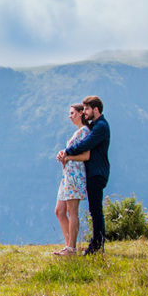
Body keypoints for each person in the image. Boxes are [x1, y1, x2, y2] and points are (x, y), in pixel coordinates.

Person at [58, 95, 110, 254]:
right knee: (94, 210)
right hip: (92, 172)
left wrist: (67, 152)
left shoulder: (100, 126)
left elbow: (86, 144)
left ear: (96, 109)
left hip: (96, 172)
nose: (85, 112)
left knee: (95, 210)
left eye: (87, 109)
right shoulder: (95, 125)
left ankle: (96, 245)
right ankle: (95, 243)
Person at [53, 103, 90, 255]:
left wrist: (68, 156)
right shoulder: (77, 133)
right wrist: (63, 155)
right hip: (67, 176)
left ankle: (71, 248)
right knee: (60, 211)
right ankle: (69, 245)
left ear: (81, 113)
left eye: (72, 113)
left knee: (72, 211)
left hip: (76, 175)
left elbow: (86, 156)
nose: (70, 116)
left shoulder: (85, 132)